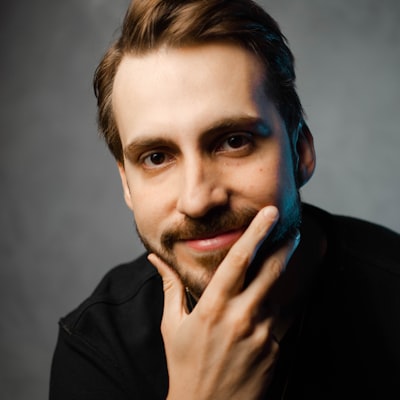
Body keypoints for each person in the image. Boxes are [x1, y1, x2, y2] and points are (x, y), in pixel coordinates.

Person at [49, 0, 400, 399]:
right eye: (157, 157)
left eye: (234, 141)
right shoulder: (99, 346)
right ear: (127, 184)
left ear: (300, 150)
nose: (198, 200)